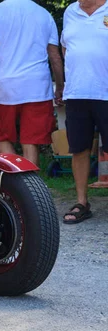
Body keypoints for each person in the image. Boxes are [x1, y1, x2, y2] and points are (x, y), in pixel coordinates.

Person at [0, 0, 64, 168]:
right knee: (31, 141)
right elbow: (54, 56)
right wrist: (60, 87)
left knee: (4, 138)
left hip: (6, 86)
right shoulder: (44, 15)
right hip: (37, 87)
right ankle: (30, 190)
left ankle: (11, 187)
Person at [60, 0, 108, 224]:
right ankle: (82, 203)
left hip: (106, 91)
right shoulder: (70, 11)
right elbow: (65, 48)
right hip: (77, 92)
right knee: (79, 148)